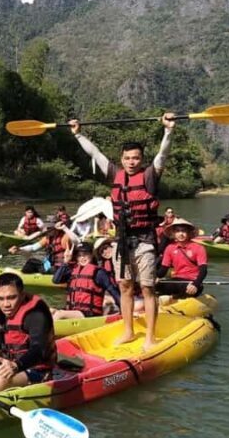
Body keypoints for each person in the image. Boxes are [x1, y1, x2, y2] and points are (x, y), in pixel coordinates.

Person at [70, 112, 176, 350]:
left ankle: (150, 337)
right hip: (122, 241)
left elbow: (163, 154)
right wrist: (78, 134)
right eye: (127, 158)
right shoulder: (115, 175)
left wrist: (168, 130)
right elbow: (94, 153)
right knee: (125, 287)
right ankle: (128, 331)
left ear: (141, 159)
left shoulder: (149, 176)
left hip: (146, 239)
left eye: (136, 158)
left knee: (148, 288)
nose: (131, 162)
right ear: (122, 158)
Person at [51, 242, 121, 319]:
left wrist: (123, 309)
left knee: (59, 314)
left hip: (90, 314)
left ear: (91, 255)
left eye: (85, 255)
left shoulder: (99, 273)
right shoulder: (73, 271)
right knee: (51, 311)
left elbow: (113, 291)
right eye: (79, 255)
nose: (82, 258)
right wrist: (65, 262)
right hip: (74, 312)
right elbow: (56, 280)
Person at [155, 218, 208, 303]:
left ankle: (174, 299)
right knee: (152, 286)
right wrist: (155, 277)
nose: (181, 234)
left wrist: (196, 284)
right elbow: (163, 270)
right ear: (173, 233)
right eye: (178, 231)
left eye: (184, 231)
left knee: (188, 288)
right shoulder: (169, 248)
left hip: (192, 281)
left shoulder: (199, 248)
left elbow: (203, 270)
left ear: (189, 233)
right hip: (176, 280)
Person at [9, 215, 77, 274]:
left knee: (52, 269)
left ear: (57, 228)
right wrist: (19, 249)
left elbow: (77, 242)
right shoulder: (47, 238)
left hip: (62, 267)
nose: (47, 230)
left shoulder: (65, 237)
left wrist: (65, 228)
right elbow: (33, 248)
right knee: (31, 262)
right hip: (50, 266)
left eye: (50, 228)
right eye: (47, 227)